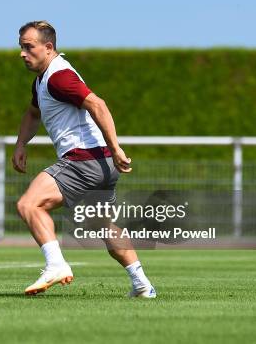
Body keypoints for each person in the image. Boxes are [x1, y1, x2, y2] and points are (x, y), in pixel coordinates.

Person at [13, 20, 156, 298]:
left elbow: (97, 104)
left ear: (48, 47)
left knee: (29, 204)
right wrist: (20, 143)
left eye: (28, 47)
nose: (22, 53)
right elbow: (33, 114)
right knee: (102, 225)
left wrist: (116, 148)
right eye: (20, 47)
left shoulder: (58, 77)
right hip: (100, 164)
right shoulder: (42, 80)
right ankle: (142, 285)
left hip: (83, 160)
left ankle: (55, 264)